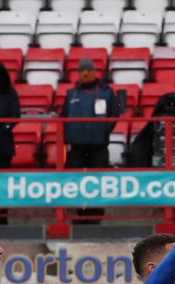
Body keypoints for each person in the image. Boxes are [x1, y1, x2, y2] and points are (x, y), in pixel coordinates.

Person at [61, 57, 120, 221]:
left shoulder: (106, 92)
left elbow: (114, 114)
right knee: (78, 182)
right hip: (77, 147)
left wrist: (103, 130)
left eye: (87, 70)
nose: (85, 73)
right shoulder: (71, 93)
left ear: (94, 72)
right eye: (81, 70)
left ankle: (96, 217)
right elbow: (63, 118)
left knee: (97, 182)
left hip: (98, 146)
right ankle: (81, 215)